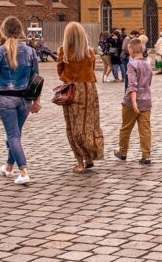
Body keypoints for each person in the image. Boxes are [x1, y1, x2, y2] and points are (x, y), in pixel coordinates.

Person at [0, 16, 40, 185]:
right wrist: (37, 100)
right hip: (24, 100)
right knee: (15, 134)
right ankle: (9, 166)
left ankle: (23, 171)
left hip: (6, 99)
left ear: (3, 31)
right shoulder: (31, 52)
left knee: (13, 136)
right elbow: (36, 78)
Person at [57, 21, 105, 173]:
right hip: (89, 90)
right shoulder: (90, 52)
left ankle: (80, 162)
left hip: (72, 91)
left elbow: (61, 73)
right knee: (89, 124)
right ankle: (90, 155)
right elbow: (90, 70)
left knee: (73, 127)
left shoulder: (63, 52)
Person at [113, 37, 153, 164]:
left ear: (131, 51)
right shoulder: (148, 64)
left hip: (132, 102)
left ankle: (123, 152)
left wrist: (134, 101)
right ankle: (146, 155)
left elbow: (132, 85)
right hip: (146, 100)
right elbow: (149, 83)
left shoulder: (131, 64)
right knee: (145, 129)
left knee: (126, 127)